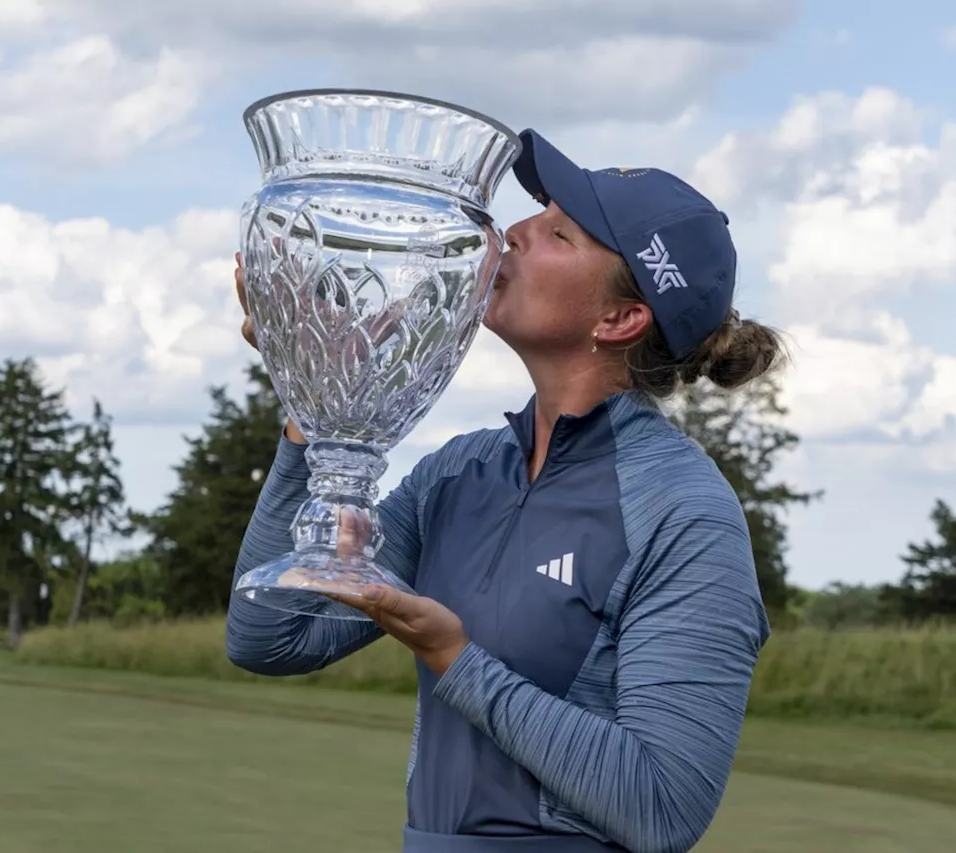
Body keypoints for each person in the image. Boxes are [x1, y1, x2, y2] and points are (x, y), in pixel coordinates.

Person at [225, 128, 782, 853]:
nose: (510, 232)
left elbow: (663, 806)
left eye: (557, 231)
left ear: (620, 318)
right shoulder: (459, 474)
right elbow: (269, 635)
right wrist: (318, 401)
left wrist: (456, 657)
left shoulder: (683, 512)